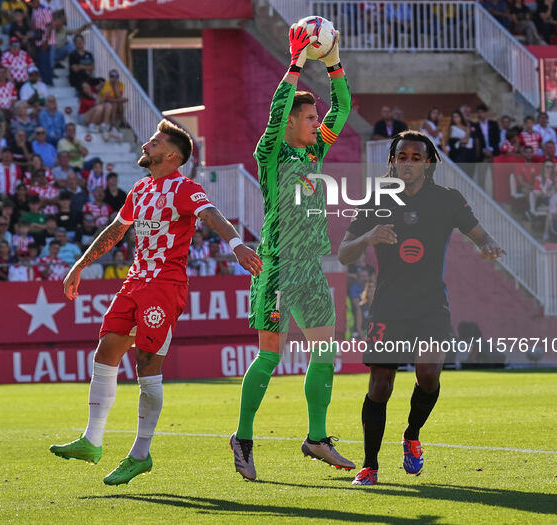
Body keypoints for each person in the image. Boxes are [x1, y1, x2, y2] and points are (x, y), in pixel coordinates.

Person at [49, 118, 262, 486]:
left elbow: (211, 214)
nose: (147, 144)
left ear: (172, 155)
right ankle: (92, 441)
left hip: (165, 285)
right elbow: (116, 230)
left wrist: (237, 244)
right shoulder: (140, 189)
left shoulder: (184, 187)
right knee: (105, 352)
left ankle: (140, 454)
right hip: (134, 281)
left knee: (146, 365)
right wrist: (79, 265)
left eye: (155, 141)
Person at [338, 130, 505, 485]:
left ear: (429, 163)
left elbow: (479, 234)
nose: (408, 163)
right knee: (380, 385)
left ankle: (411, 435)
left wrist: (488, 245)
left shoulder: (447, 199)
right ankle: (370, 465)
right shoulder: (376, 199)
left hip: (431, 304)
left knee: (428, 374)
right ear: (393, 161)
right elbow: (344, 252)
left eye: (416, 157)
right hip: (387, 305)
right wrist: (369, 237)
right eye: (402, 157)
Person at [230, 23, 355, 482]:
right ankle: (242, 438)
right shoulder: (270, 152)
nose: (316, 121)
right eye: (308, 117)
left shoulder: (313, 154)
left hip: (310, 268)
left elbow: (342, 108)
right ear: (288, 123)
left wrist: (334, 62)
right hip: (277, 266)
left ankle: (317, 438)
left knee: (325, 352)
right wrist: (298, 62)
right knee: (270, 355)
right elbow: (278, 107)